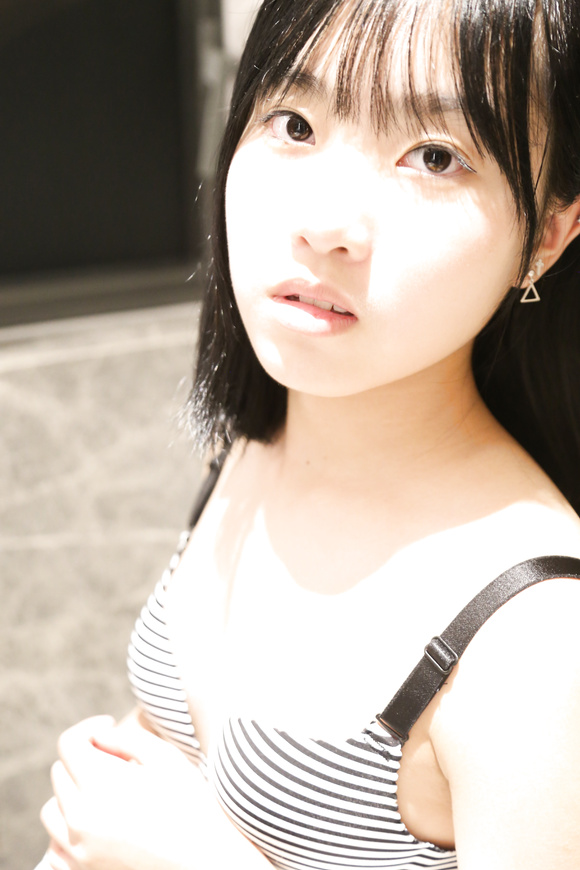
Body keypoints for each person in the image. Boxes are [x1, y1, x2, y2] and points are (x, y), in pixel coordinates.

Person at [38, 0, 580, 868]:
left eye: (434, 156)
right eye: (295, 124)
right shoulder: (264, 441)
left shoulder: (536, 636)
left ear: (545, 237)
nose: (326, 224)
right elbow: (174, 762)